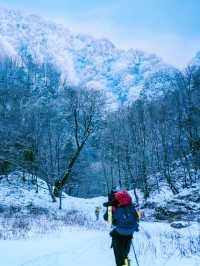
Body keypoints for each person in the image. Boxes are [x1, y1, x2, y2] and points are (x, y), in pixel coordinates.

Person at [103, 186, 140, 266]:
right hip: (129, 233)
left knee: (119, 257)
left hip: (118, 234)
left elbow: (107, 218)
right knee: (125, 255)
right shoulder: (129, 203)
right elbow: (137, 217)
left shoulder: (112, 204)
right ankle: (127, 264)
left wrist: (109, 206)